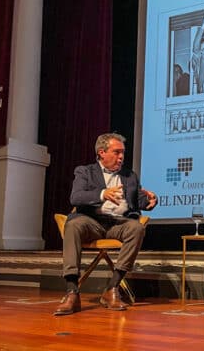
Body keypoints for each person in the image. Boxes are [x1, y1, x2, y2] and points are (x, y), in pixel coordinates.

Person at [54, 133, 158, 316]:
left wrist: (151, 200)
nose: (121, 157)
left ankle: (111, 289)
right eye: (117, 152)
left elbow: (138, 200)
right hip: (91, 221)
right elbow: (76, 197)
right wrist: (103, 194)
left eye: (123, 153)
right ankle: (72, 291)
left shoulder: (129, 175)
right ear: (102, 152)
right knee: (73, 225)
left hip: (118, 223)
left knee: (137, 228)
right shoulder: (85, 172)